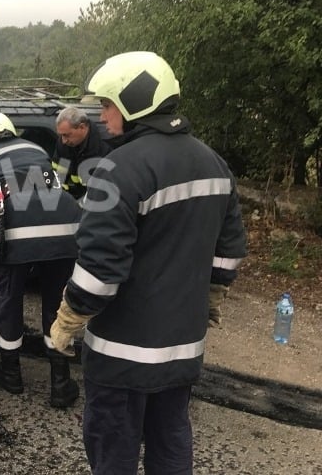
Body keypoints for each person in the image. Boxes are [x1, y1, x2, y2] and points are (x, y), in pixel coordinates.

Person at [49, 52, 247, 473]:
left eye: (107, 105)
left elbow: (100, 271)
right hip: (183, 350)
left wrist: (69, 317)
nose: (102, 117)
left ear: (134, 102)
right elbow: (228, 254)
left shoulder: (117, 169)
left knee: (114, 453)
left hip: (123, 356)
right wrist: (211, 293)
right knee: (171, 444)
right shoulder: (214, 163)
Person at [0, 111, 82, 408]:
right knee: (56, 303)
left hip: (15, 235)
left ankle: (11, 375)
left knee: (9, 300)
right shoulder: (37, 149)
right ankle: (60, 384)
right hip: (64, 233)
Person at [52, 106, 110, 201]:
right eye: (61, 135)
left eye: (66, 135)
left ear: (82, 127)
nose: (63, 141)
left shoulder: (105, 146)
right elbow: (58, 177)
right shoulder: (63, 145)